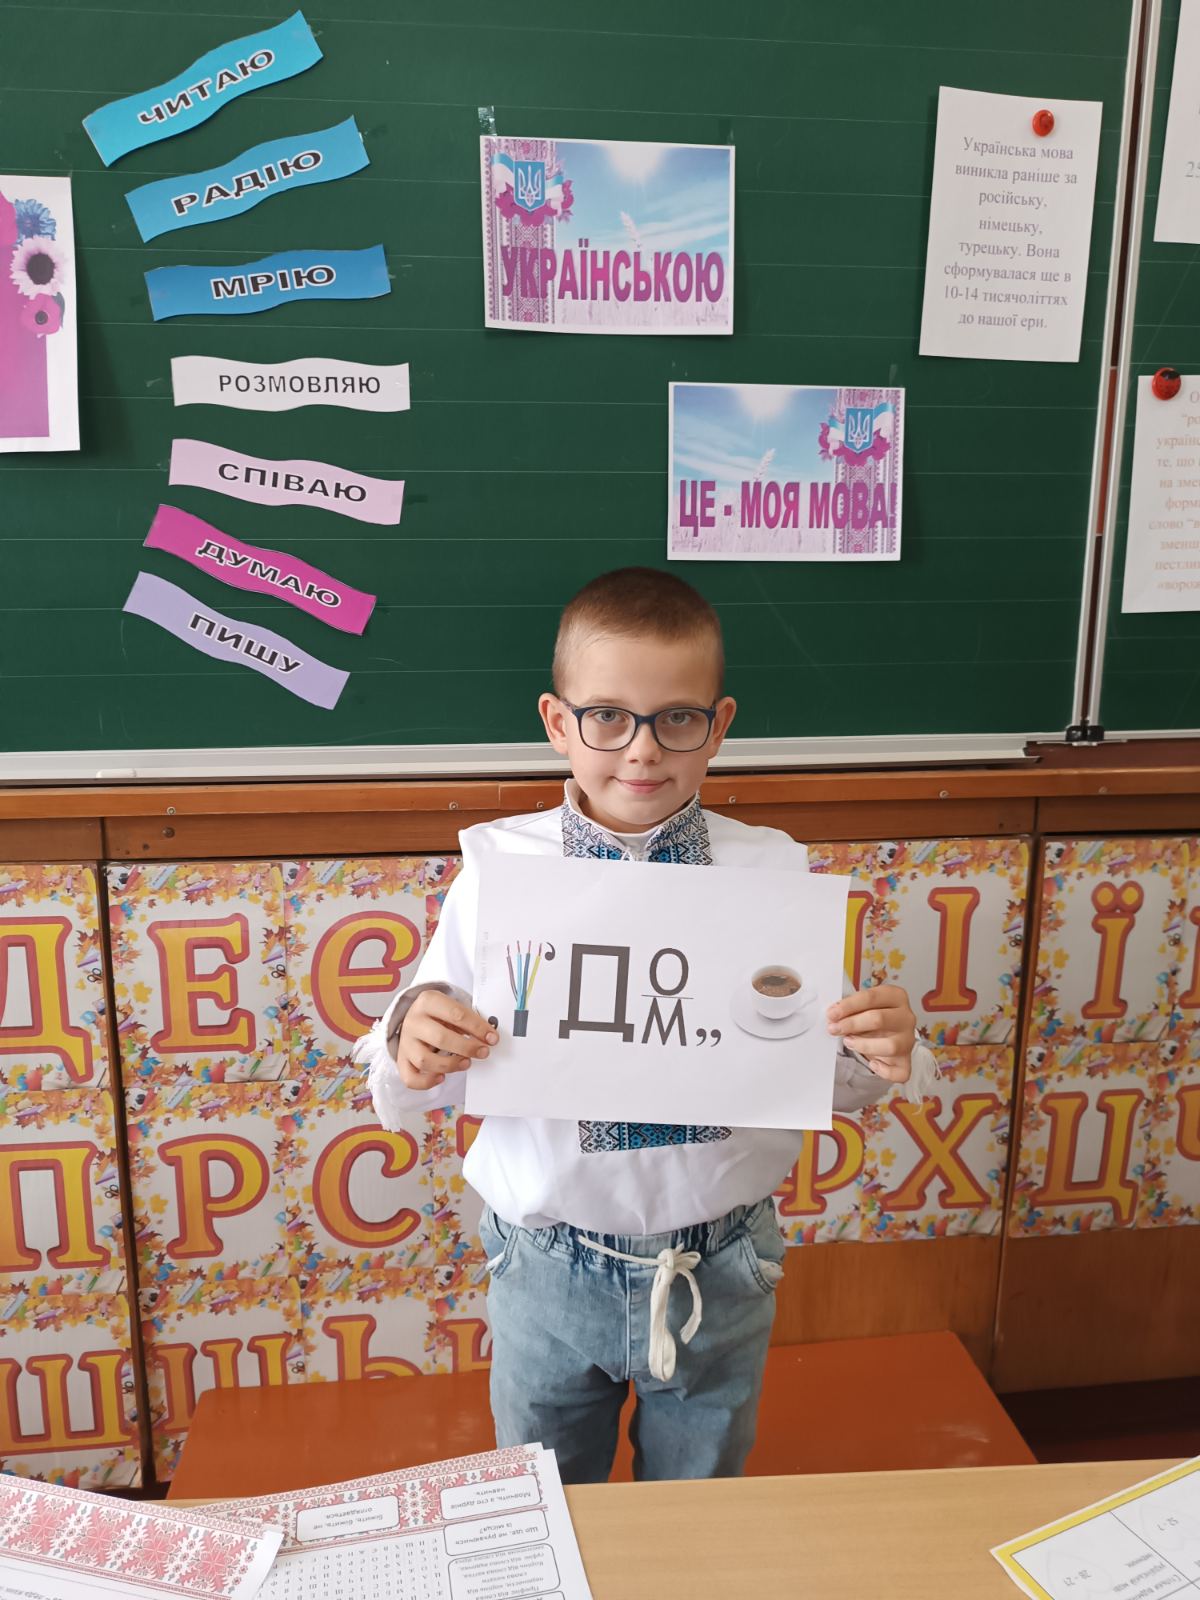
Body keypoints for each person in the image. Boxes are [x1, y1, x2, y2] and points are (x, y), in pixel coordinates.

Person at [356, 567, 936, 1484]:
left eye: (677, 719)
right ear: (558, 722)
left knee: (697, 1508)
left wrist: (878, 1047)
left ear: (719, 724)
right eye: (607, 717)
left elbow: (821, 1068)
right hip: (546, 1266)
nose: (642, 750)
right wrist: (410, 1041)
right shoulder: (502, 875)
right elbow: (425, 1058)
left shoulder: (770, 875)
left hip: (722, 1265)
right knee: (548, 1504)